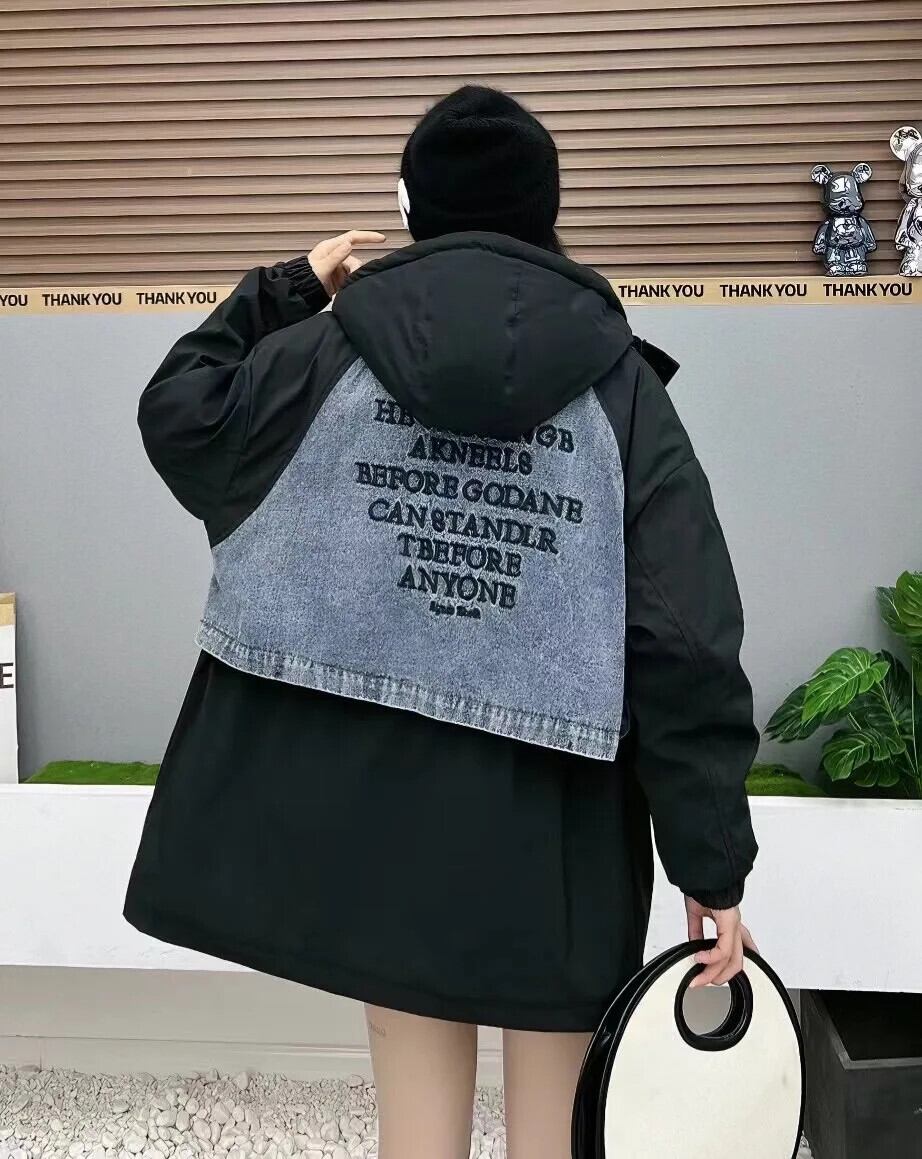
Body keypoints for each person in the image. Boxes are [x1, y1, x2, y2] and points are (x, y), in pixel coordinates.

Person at [124, 86, 758, 1159]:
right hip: (560, 839)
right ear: (546, 215)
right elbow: (685, 639)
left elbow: (180, 411)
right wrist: (712, 862)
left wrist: (288, 287)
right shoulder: (623, 395)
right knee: (557, 1106)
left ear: (412, 211)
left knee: (416, 1117)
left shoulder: (318, 358)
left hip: (384, 823)